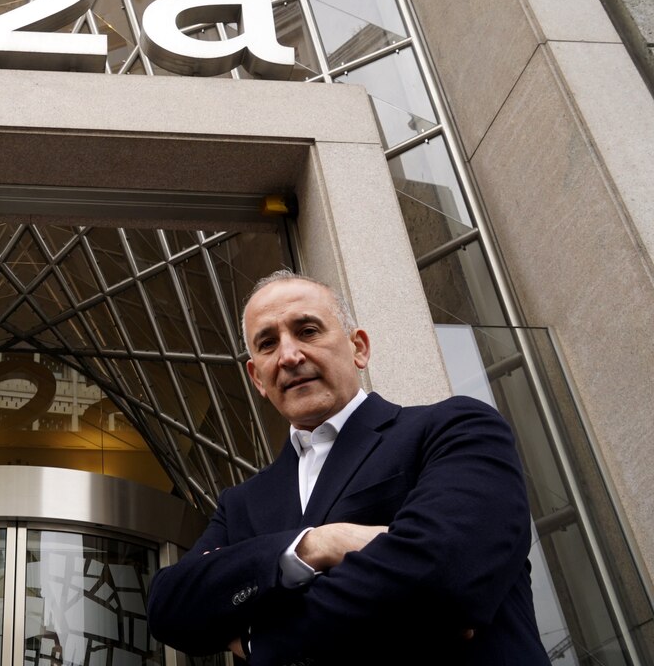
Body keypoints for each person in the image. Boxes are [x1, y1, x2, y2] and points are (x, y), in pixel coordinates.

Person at [146, 270, 547, 665]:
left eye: (307, 331)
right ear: (257, 378)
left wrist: (259, 638)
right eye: (267, 343)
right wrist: (317, 545)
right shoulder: (241, 505)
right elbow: (170, 607)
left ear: (359, 348)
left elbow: (446, 573)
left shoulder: (455, 428)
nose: (289, 356)